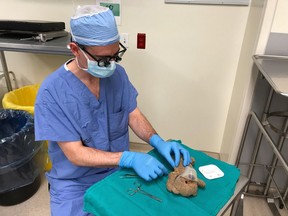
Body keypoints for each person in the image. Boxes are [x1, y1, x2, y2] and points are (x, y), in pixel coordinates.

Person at [34, 5, 191, 216]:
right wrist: (129, 158)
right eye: (102, 59)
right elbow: (76, 154)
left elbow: (132, 114)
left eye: (115, 56)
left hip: (117, 173)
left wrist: (157, 141)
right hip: (75, 182)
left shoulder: (117, 75)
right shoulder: (52, 92)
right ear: (75, 49)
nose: (110, 65)